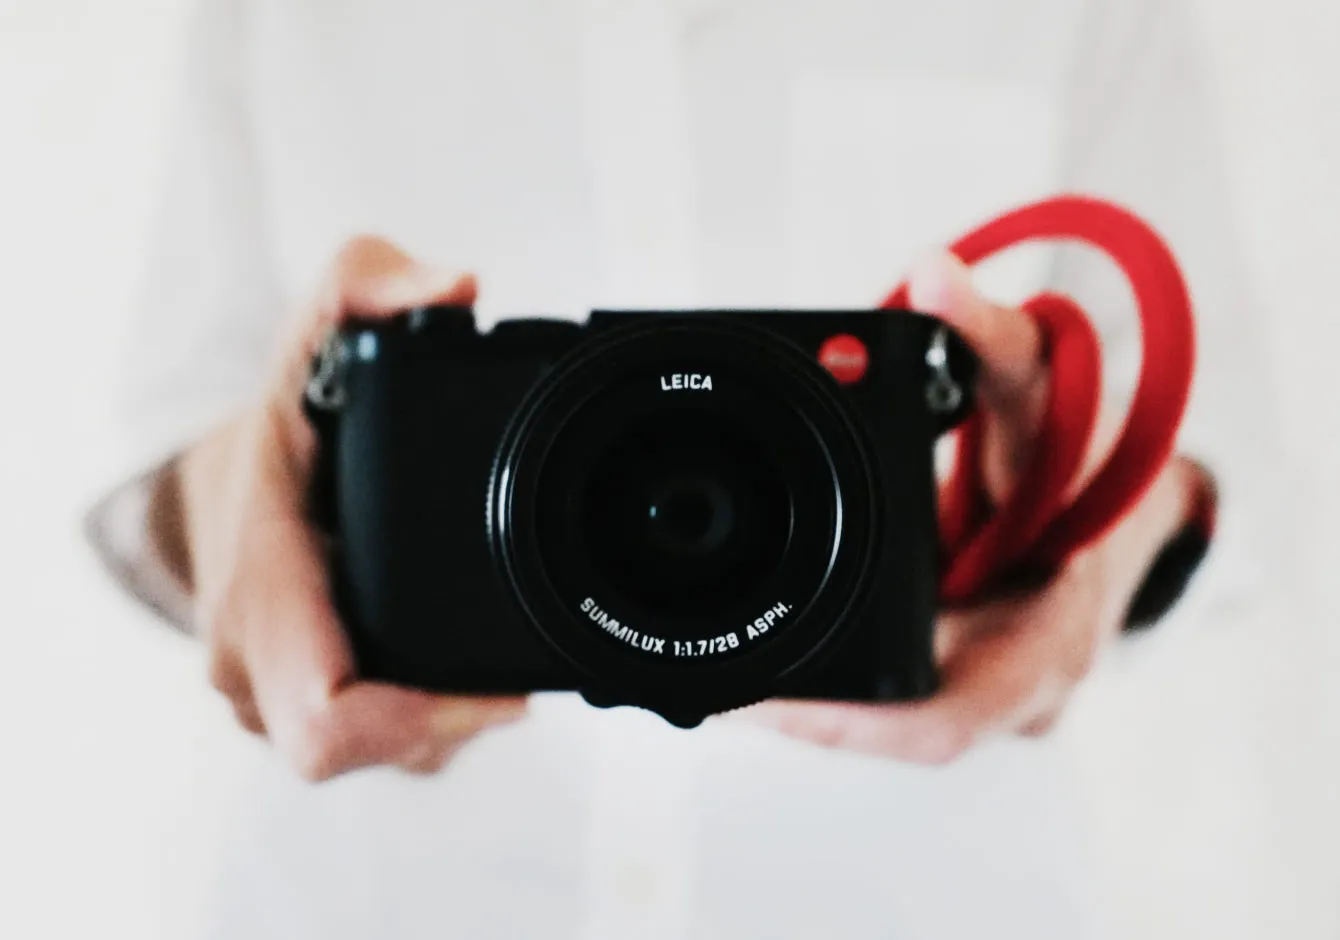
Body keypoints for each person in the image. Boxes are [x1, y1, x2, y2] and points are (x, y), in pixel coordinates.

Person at [84, 0, 1282, 936]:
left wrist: (1085, 552)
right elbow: (163, 435)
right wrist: (238, 492)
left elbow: (1232, 460)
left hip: (919, 897)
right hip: (384, 902)